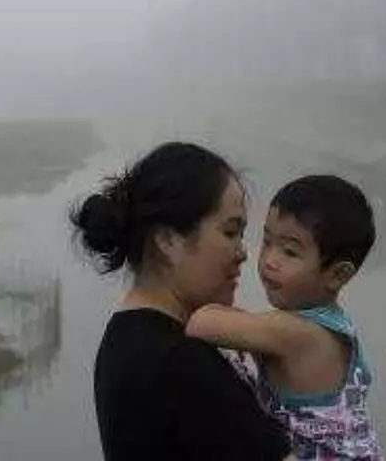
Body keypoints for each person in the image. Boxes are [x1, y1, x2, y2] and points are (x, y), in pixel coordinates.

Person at [72, 141, 291, 461]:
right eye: (230, 233)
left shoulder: (124, 341)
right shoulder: (182, 364)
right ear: (167, 240)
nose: (243, 253)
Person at [185, 174, 384, 460]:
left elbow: (200, 323)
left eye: (289, 251)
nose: (269, 260)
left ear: (337, 274)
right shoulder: (334, 326)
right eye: (267, 241)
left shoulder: (298, 332)